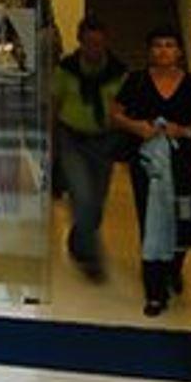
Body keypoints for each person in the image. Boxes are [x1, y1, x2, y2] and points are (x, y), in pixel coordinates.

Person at [112, 26, 191, 316]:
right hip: (148, 165)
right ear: (150, 50)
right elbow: (115, 112)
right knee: (152, 221)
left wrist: (184, 131)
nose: (163, 50)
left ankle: (173, 268)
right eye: (158, 45)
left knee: (183, 219)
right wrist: (137, 128)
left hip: (182, 164)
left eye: (169, 45)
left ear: (178, 51)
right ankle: (154, 291)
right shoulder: (136, 81)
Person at [47, 16, 128, 282]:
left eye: (99, 44)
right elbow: (55, 104)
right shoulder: (66, 70)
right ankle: (92, 259)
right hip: (72, 138)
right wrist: (51, 143)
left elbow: (125, 108)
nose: (95, 49)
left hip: (103, 141)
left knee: (97, 202)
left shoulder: (118, 73)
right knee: (82, 196)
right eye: (90, 43)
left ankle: (78, 240)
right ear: (81, 42)